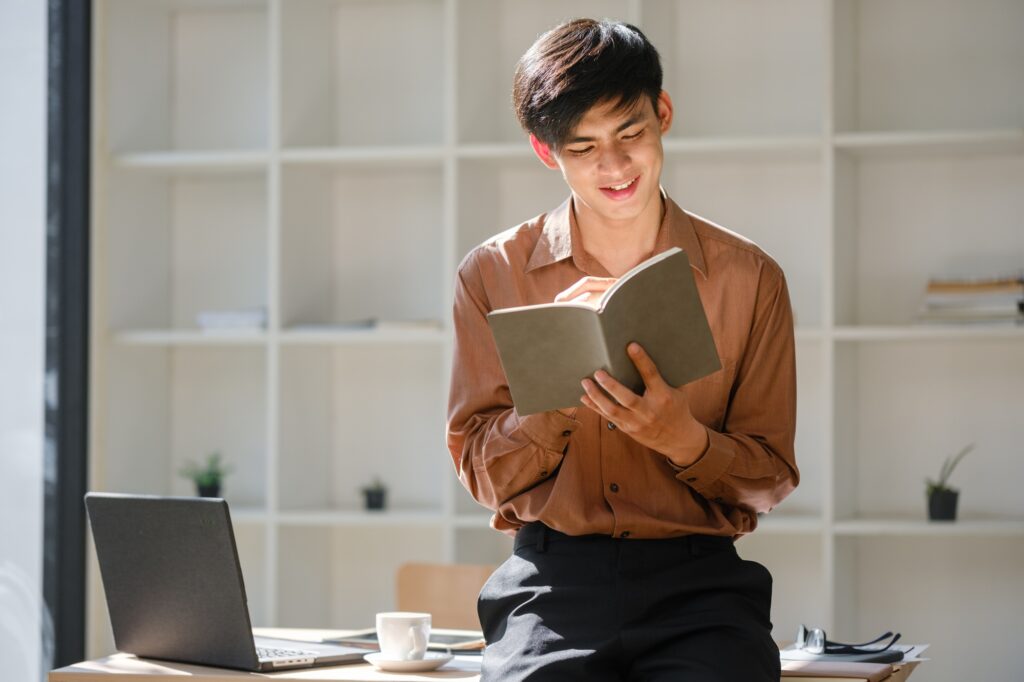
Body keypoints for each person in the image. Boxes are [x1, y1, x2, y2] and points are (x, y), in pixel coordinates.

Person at [446, 18, 798, 681]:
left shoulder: (749, 279)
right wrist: (551, 408)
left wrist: (685, 441)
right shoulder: (491, 274)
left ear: (662, 113)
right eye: (583, 148)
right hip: (550, 582)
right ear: (547, 153)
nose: (614, 167)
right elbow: (480, 473)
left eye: (630, 134)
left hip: (701, 587)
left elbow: (771, 476)